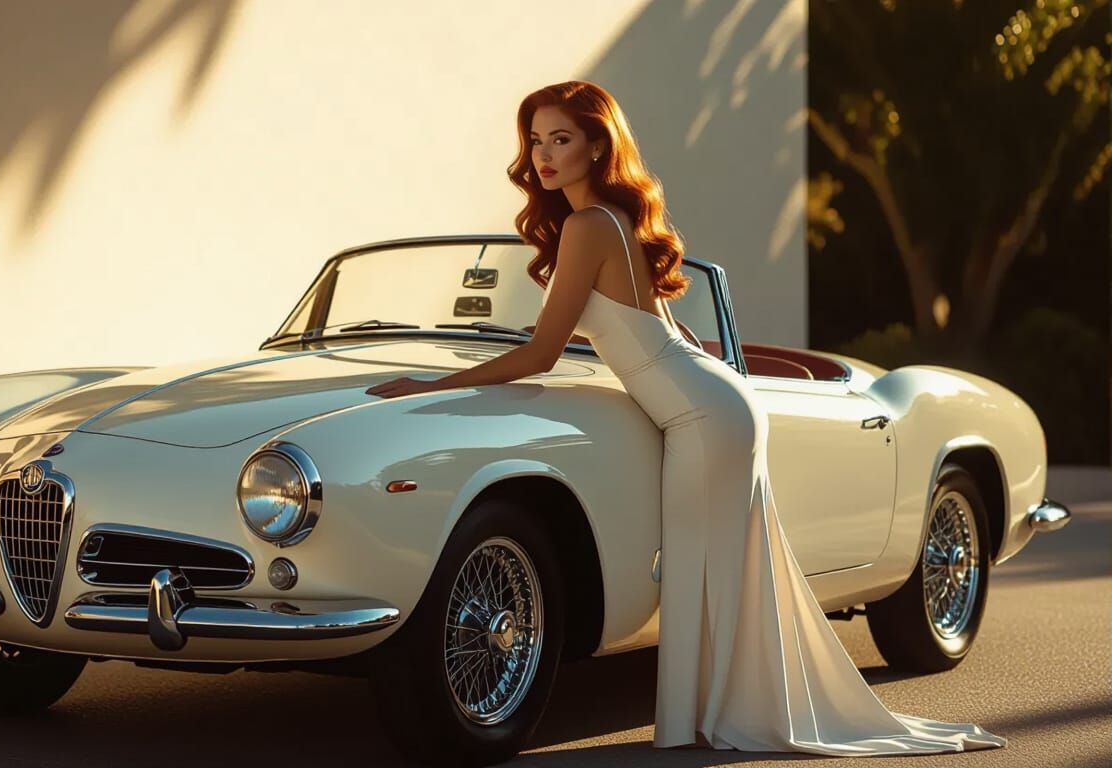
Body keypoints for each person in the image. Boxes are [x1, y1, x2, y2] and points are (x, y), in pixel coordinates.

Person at [365, 80, 1006, 755]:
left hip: (701, 415)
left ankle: (725, 718)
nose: (545, 155)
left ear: (595, 145)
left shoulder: (589, 227)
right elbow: (649, 336)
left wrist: (433, 383)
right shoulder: (614, 220)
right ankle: (721, 715)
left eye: (561, 139)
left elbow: (542, 352)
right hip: (715, 402)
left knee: (706, 567)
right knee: (717, 568)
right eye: (536, 140)